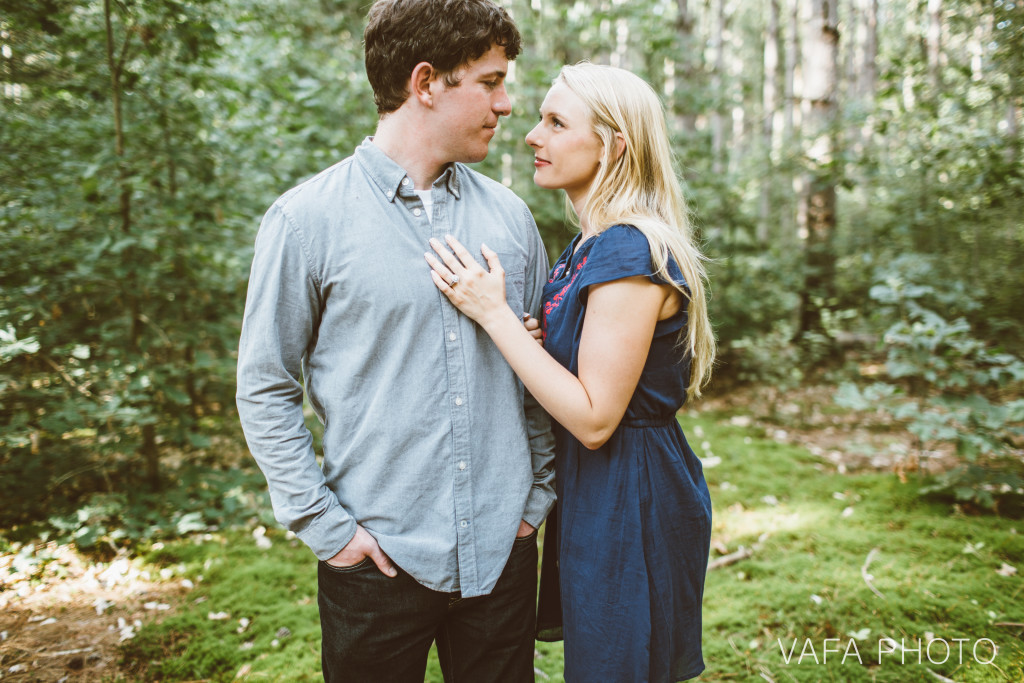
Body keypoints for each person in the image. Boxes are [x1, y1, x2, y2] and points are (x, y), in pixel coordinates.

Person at [235, 1, 556, 681]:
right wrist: (328, 529)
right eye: (491, 82)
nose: (506, 105)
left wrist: (534, 502)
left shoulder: (512, 217)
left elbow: (539, 369)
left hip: (502, 552)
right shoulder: (305, 221)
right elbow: (265, 384)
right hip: (374, 562)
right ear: (426, 82)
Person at [425, 62, 716, 682]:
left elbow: (593, 418)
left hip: (630, 491)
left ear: (615, 146)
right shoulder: (587, 246)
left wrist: (495, 316)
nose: (533, 135)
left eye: (556, 123)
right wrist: (541, 341)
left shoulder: (630, 250)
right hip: (594, 489)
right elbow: (583, 367)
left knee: (619, 664)